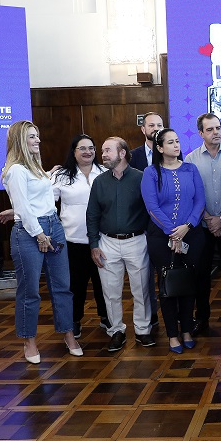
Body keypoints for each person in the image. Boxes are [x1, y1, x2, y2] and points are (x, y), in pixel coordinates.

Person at [1, 121, 81, 363]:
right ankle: (29, 341)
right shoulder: (15, 170)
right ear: (20, 141)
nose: (37, 140)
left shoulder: (35, 167)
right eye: (31, 137)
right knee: (30, 291)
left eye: (37, 136)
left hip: (53, 226)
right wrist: (39, 234)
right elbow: (23, 207)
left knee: (62, 286)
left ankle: (68, 334)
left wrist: (49, 173)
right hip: (29, 233)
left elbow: (39, 196)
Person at [86, 137, 154, 352]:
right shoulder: (99, 182)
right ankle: (116, 331)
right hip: (107, 243)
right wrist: (94, 244)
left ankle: (143, 330)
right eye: (103, 151)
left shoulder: (141, 178)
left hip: (136, 241)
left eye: (108, 150)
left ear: (122, 153)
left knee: (141, 289)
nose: (103, 155)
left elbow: (152, 210)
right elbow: (92, 215)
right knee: (110, 291)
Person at [141, 128, 206, 354]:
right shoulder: (151, 173)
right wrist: (172, 232)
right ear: (159, 148)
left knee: (189, 283)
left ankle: (187, 330)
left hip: (191, 234)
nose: (176, 145)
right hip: (161, 238)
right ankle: (172, 335)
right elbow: (152, 207)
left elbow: (200, 201)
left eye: (177, 141)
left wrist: (187, 226)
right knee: (168, 284)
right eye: (170, 142)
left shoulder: (190, 169)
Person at [187, 114, 221, 332]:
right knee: (201, 275)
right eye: (210, 129)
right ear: (201, 133)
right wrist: (210, 219)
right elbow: (191, 195)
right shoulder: (190, 159)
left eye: (218, 128)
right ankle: (201, 318)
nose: (216, 132)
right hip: (202, 226)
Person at [51, 134, 108, 339]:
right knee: (75, 285)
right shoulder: (61, 175)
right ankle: (74, 321)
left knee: (103, 283)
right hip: (72, 241)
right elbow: (47, 202)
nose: (87, 152)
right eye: (82, 148)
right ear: (73, 152)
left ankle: (106, 317)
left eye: (91, 148)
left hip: (102, 240)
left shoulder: (104, 172)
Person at [128, 112, 164, 329]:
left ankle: (173, 314)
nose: (156, 128)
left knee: (168, 272)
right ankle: (150, 318)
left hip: (167, 225)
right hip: (141, 225)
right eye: (151, 125)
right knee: (144, 277)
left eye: (159, 125)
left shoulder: (172, 153)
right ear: (143, 129)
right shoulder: (133, 157)